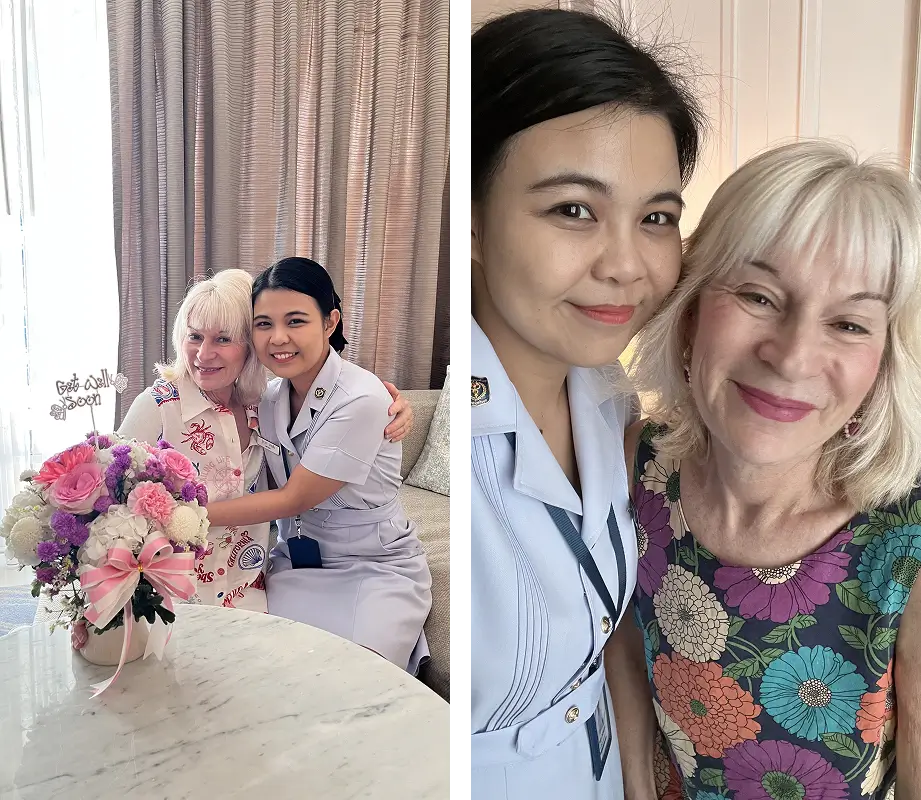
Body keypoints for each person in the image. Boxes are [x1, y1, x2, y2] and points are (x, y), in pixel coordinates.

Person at [618, 140, 921, 799]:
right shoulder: (633, 464)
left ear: (883, 365)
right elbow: (621, 658)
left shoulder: (908, 530)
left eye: (846, 323)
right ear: (693, 308)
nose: (790, 357)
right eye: (757, 295)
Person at [465, 8, 703, 799]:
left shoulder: (606, 393)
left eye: (656, 218)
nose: (628, 266)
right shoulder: (433, 447)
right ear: (469, 220)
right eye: (574, 210)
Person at [118, 268, 415, 613]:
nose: (203, 354)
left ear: (250, 347)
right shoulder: (157, 406)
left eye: (224, 339)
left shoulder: (261, 403)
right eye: (194, 336)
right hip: (171, 591)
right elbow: (111, 494)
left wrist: (386, 402)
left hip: (248, 584)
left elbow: (291, 487)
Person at [205, 257, 432, 674]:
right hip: (297, 561)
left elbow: (292, 498)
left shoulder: (360, 400)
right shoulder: (271, 396)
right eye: (263, 324)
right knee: (272, 671)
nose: (278, 338)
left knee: (353, 680)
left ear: (330, 323)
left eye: (296, 321)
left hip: (372, 566)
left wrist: (190, 517)